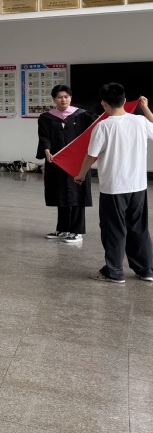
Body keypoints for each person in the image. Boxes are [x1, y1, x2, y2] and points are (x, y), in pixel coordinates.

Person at [74, 85, 153, 284]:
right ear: (124, 100)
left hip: (114, 187)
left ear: (103, 103)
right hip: (138, 186)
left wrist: (81, 175)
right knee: (139, 229)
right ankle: (146, 269)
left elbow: (91, 155)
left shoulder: (103, 126)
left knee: (114, 229)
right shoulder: (140, 121)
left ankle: (114, 272)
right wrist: (145, 108)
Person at [37, 85, 95, 244]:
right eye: (59, 97)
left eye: (66, 97)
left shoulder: (83, 115)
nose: (63, 100)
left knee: (77, 194)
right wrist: (46, 150)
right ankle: (63, 229)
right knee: (60, 194)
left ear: (70, 98)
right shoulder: (46, 117)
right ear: (54, 99)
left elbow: (100, 126)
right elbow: (44, 136)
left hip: (77, 162)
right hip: (56, 161)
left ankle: (77, 231)